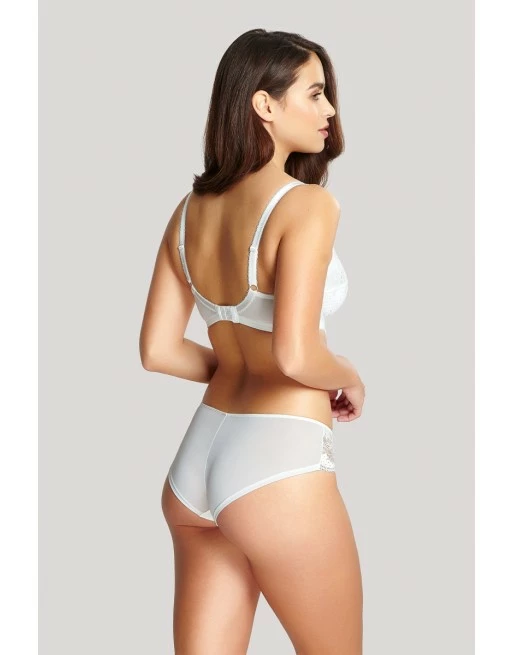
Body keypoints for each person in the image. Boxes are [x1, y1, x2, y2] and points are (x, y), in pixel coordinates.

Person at [139, 28, 366, 655]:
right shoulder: (307, 206)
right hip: (277, 462)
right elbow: (296, 354)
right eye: (314, 94)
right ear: (264, 104)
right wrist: (346, 373)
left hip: (195, 467)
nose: (329, 110)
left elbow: (158, 350)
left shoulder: (189, 211)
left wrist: (237, 365)